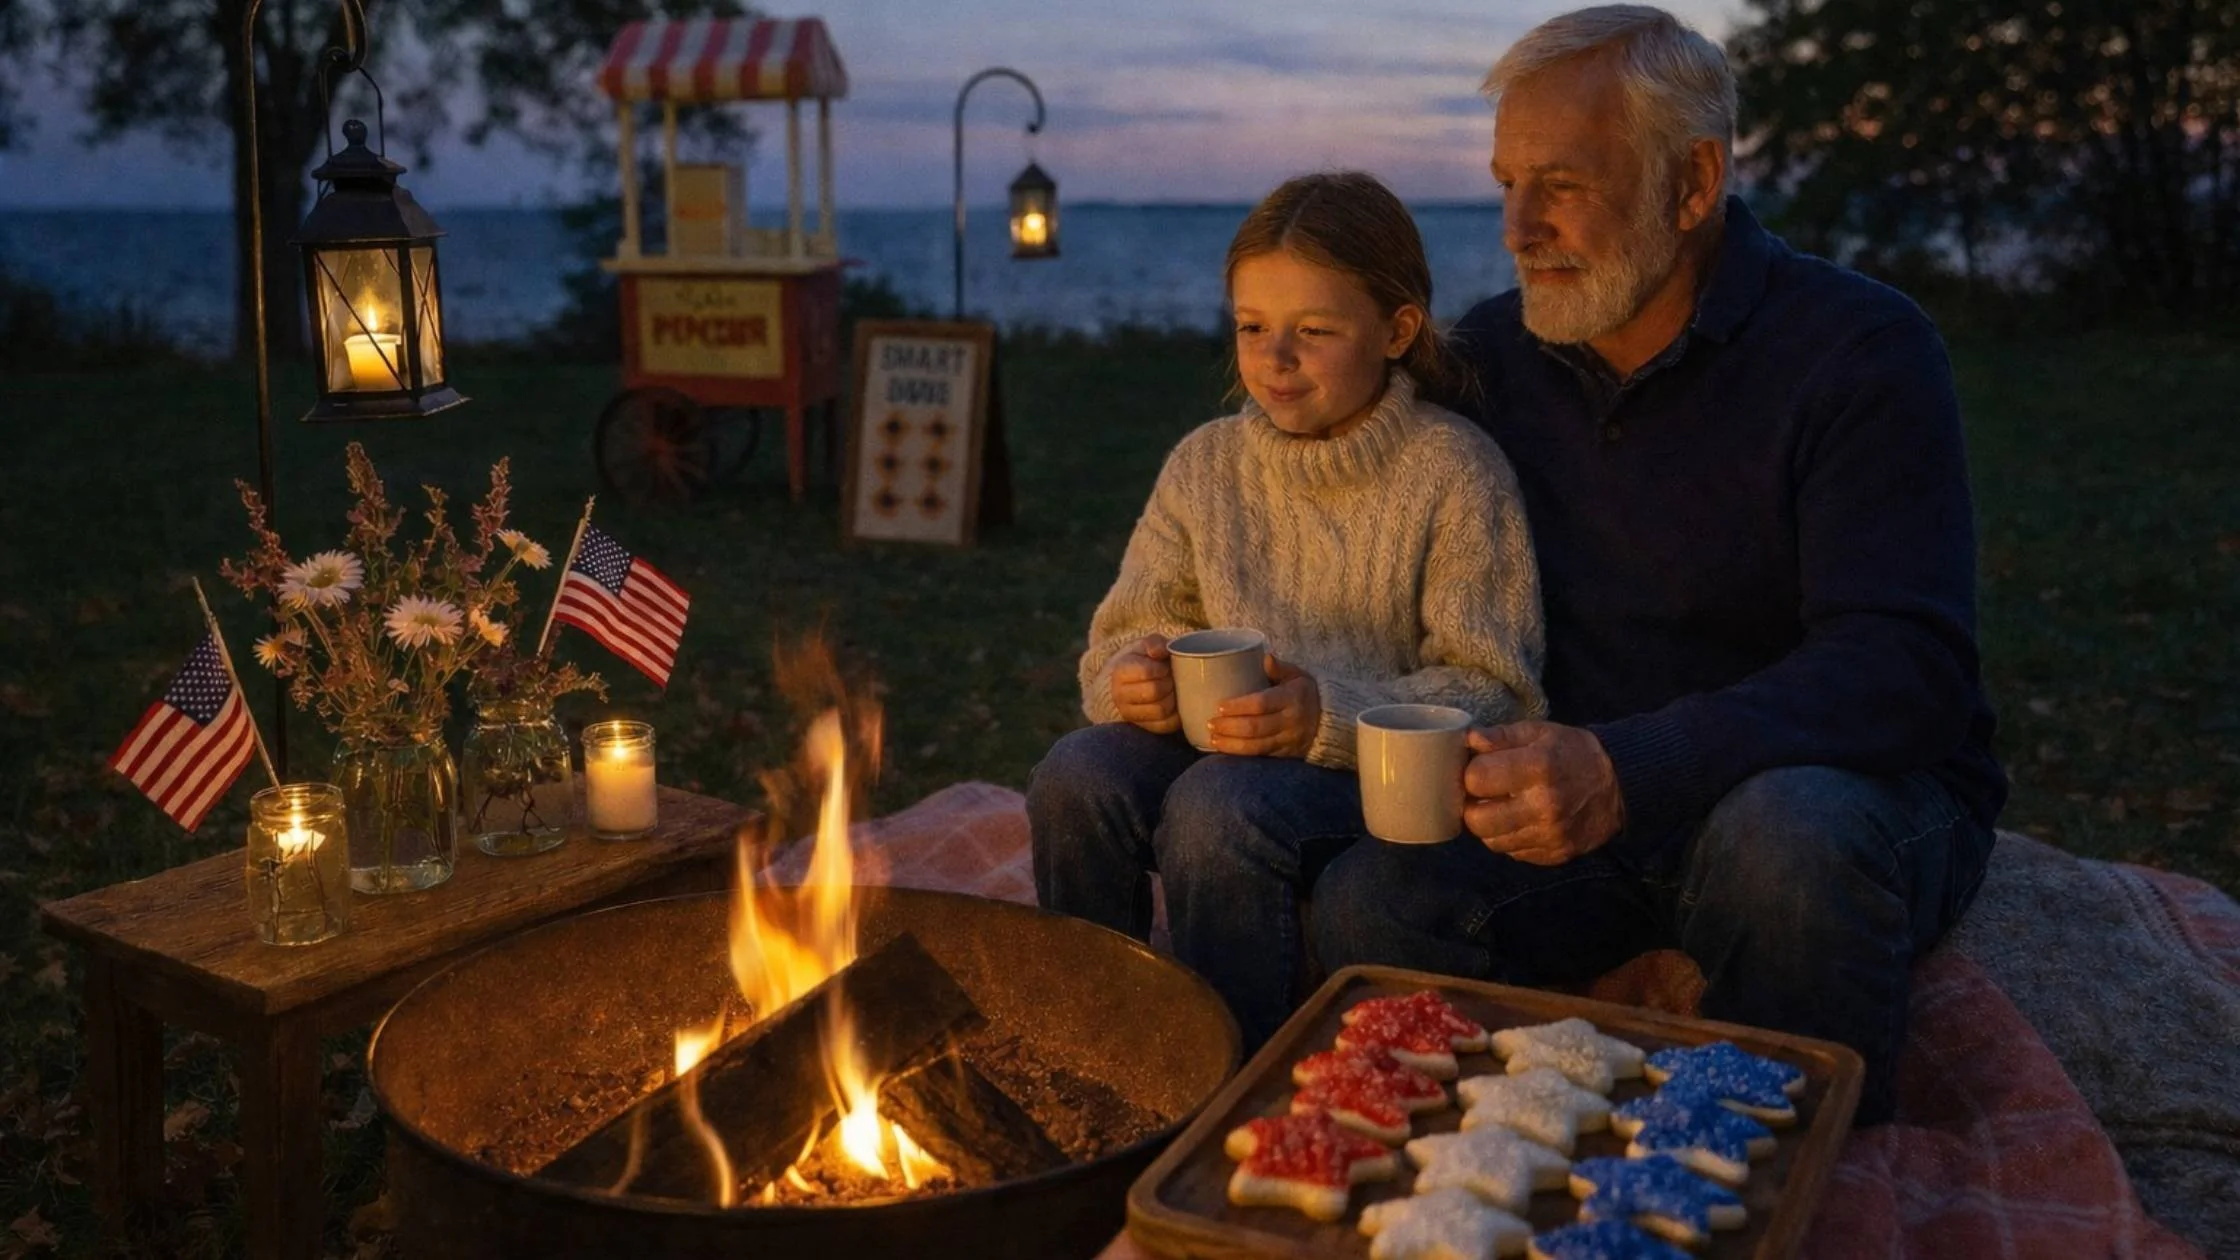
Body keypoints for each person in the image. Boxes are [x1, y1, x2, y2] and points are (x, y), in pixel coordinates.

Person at [1308, 6, 2007, 1125]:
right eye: (1503, 185)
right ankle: (1613, 1024)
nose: (1516, 227)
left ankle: (1758, 1162)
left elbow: (1904, 667)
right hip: (1582, 820)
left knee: (1782, 851)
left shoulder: (1857, 351)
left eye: (1562, 185)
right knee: (1370, 902)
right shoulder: (1491, 359)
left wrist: (1634, 766)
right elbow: (1332, 503)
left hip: (1824, 789)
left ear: (1690, 185)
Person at [1027, 171, 1547, 1048]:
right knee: (1075, 775)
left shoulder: (1454, 472)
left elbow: (1495, 689)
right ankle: (1089, 1037)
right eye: (1252, 328)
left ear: (1397, 330)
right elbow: (1120, 635)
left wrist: (1325, 716)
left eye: (1313, 332)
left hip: (1361, 776)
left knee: (1218, 808)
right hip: (1214, 744)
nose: (1274, 359)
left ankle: (1229, 1067)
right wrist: (1133, 680)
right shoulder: (1205, 466)